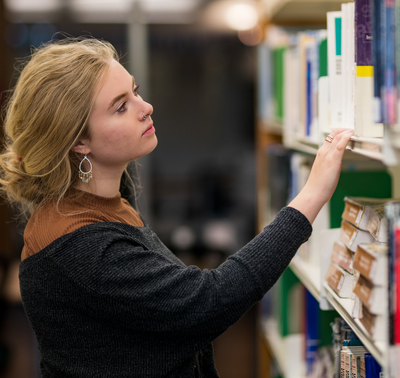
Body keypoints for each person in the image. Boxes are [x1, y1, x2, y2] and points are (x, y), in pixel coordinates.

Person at [0, 37, 353, 378]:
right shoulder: (83, 246)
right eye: (121, 106)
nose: (146, 107)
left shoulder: (98, 201)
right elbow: (209, 302)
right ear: (78, 141)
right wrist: (312, 195)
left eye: (135, 91)